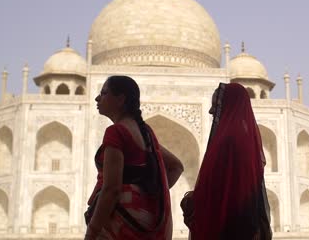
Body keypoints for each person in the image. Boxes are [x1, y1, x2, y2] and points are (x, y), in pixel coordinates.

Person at [85, 75, 184, 240]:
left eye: (103, 93)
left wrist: (91, 232)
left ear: (120, 99)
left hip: (120, 219)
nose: (97, 98)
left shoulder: (116, 132)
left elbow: (111, 189)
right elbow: (176, 167)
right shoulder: (146, 133)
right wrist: (149, 194)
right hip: (144, 218)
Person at [181, 82, 272, 240]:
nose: (211, 111)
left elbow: (222, 188)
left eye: (216, 104)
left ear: (230, 104)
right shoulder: (245, 137)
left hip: (229, 225)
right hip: (245, 224)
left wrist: (193, 202)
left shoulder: (229, 139)